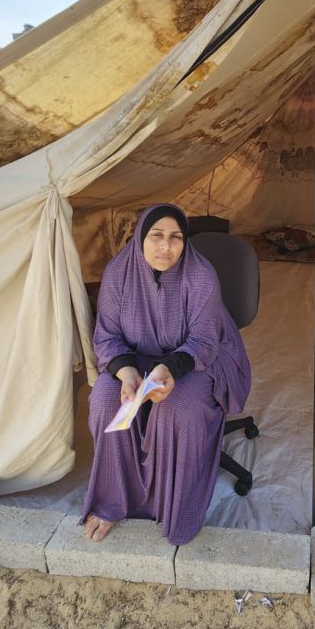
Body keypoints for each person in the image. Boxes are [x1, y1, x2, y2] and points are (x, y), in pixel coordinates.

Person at [80, 204, 251, 546]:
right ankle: (114, 501)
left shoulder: (201, 276)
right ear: (141, 237)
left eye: (176, 238)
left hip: (199, 358)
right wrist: (127, 373)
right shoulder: (118, 273)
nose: (166, 247)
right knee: (103, 400)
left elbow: (204, 341)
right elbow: (107, 336)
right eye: (156, 236)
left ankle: (171, 506)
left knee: (177, 408)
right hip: (136, 357)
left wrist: (167, 369)